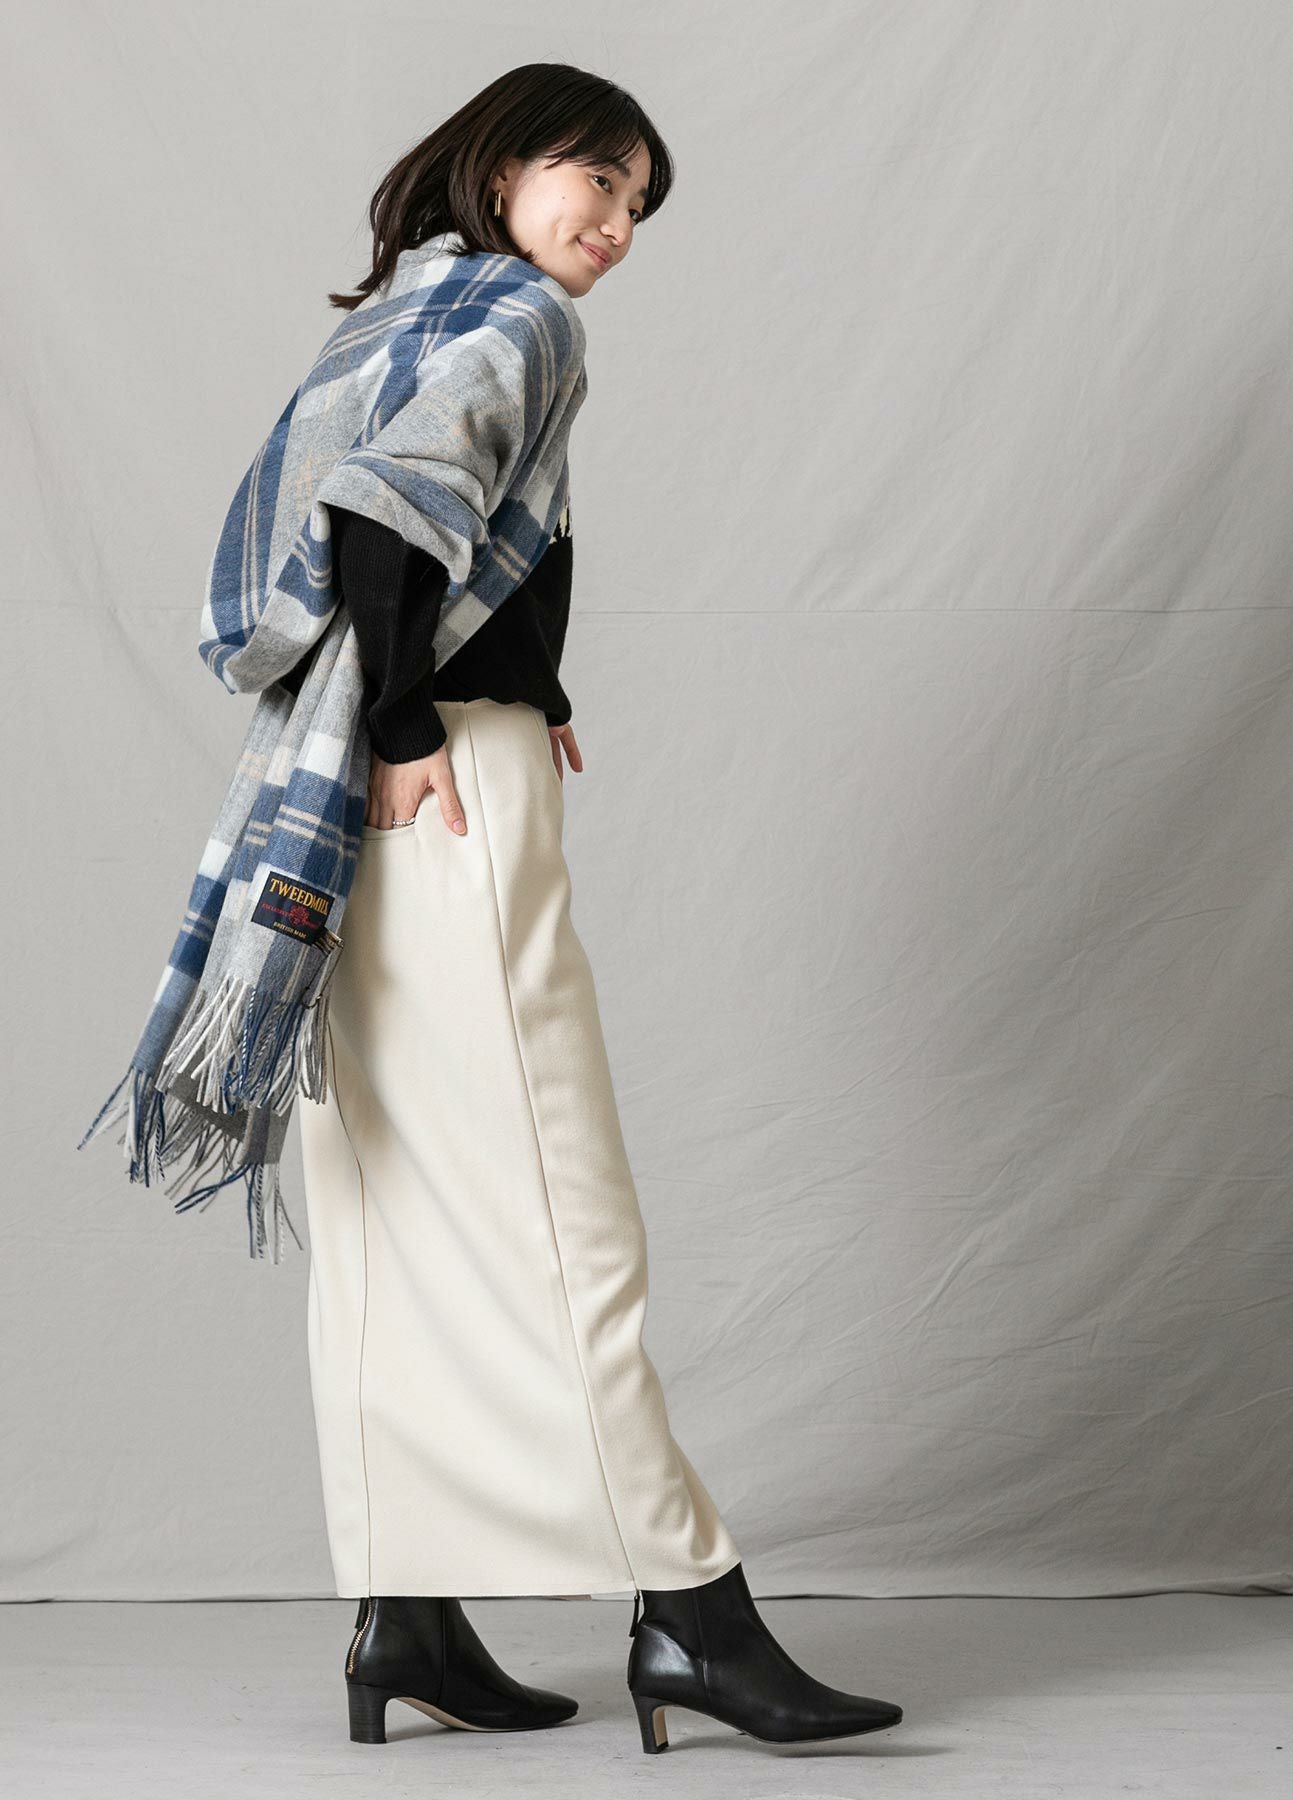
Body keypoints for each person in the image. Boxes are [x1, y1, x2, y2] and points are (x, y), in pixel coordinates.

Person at [286, 64, 904, 1756]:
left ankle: (405, 1611)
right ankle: (691, 1617)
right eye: (598, 179)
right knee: (568, 1208)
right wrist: (420, 719)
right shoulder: (520, 314)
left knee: (385, 1194)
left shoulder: (411, 304)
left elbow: (398, 514)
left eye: (638, 204)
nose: (618, 225)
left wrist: (513, 680)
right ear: (505, 164)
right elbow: (387, 514)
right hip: (435, 778)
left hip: (344, 790)